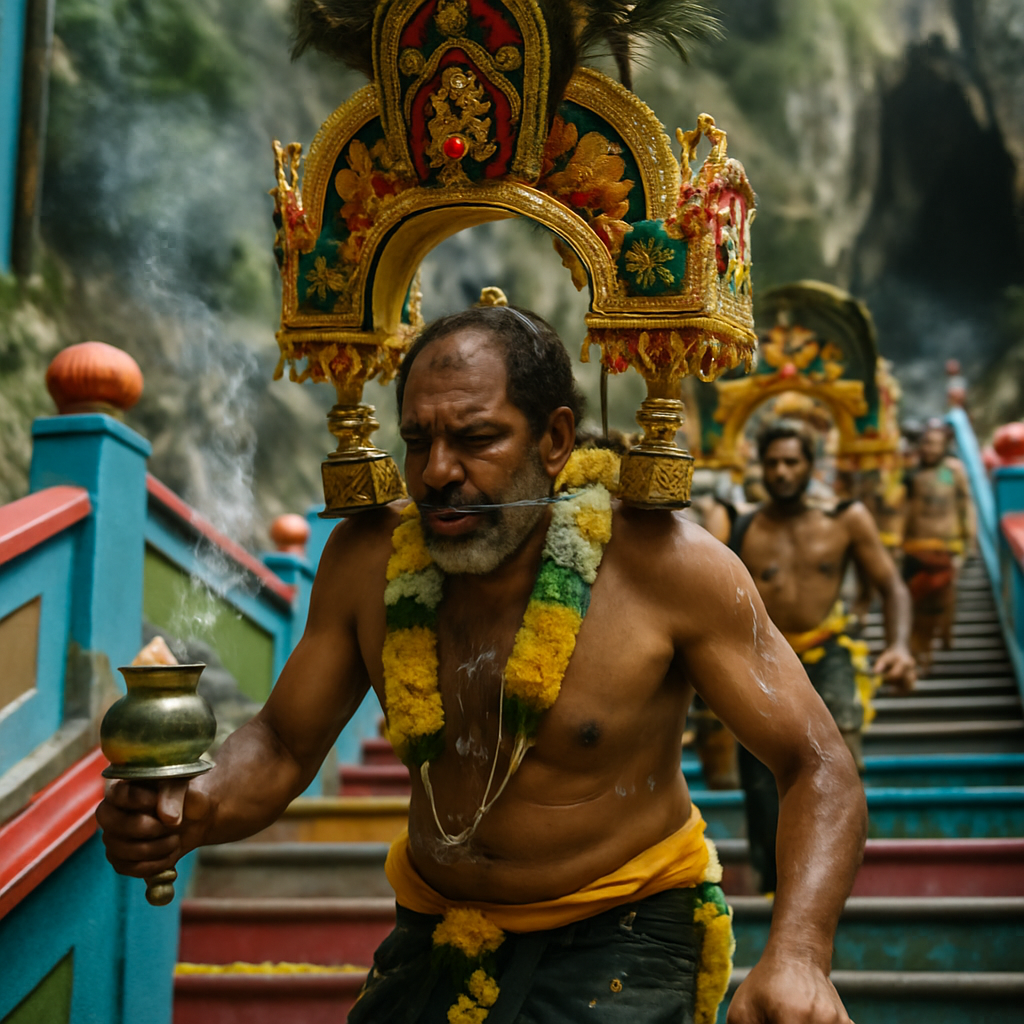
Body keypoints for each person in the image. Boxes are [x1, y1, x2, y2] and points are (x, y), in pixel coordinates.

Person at [98, 307, 867, 1024]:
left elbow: (817, 763)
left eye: (475, 439)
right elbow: (282, 743)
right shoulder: (369, 560)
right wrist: (198, 805)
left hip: (624, 936)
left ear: (556, 439)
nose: (436, 471)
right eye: (418, 440)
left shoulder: (667, 567)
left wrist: (800, 953)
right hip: (433, 929)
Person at [730, 419, 915, 894]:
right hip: (766, 663)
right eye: (772, 463)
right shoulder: (742, 525)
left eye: (792, 462)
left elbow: (893, 586)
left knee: (839, 770)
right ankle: (775, 889)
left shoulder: (844, 518)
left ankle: (836, 881)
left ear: (810, 466)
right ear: (760, 468)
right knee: (760, 778)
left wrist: (897, 645)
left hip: (828, 655)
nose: (782, 472)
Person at [902, 420, 976, 674]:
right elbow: (901, 508)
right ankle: (918, 650)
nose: (929, 448)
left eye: (935, 443)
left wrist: (969, 537)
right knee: (912, 602)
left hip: (945, 546)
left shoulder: (953, 470)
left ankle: (928, 648)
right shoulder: (910, 471)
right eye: (925, 443)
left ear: (945, 445)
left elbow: (966, 504)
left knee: (937, 603)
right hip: (913, 547)